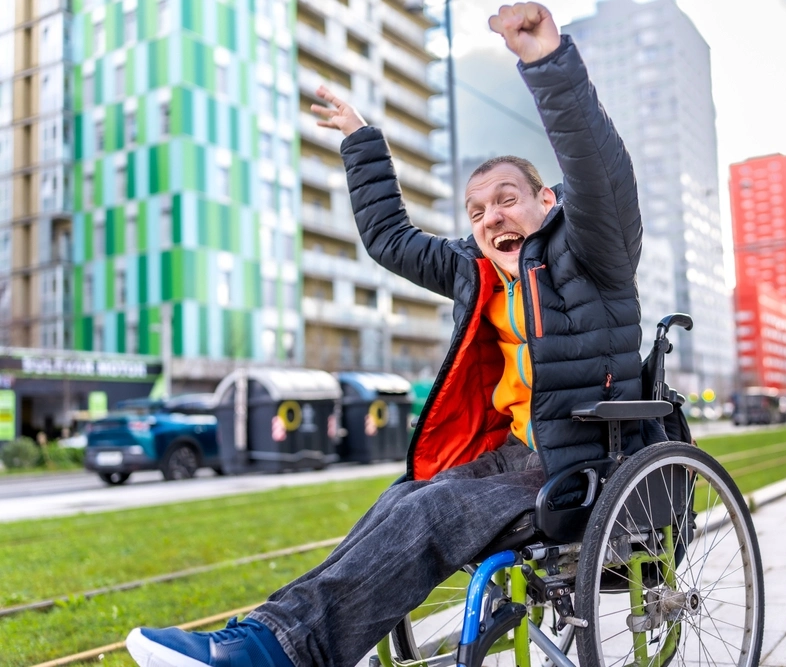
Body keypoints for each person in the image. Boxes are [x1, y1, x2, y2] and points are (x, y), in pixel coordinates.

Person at [126, 4, 659, 666]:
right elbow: (391, 239)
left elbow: (599, 170)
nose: (491, 215)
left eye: (506, 198)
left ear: (547, 202)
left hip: (582, 463)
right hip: (517, 454)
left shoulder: (593, 252)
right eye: (476, 209)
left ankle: (275, 651)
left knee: (429, 514)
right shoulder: (476, 272)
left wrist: (545, 60)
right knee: (401, 497)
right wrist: (361, 141)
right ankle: (263, 633)